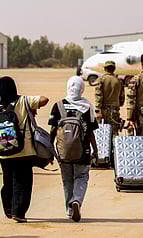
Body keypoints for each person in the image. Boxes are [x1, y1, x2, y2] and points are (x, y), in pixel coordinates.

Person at [0, 76, 49, 223]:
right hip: (24, 151)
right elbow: (44, 99)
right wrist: (28, 104)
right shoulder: (23, 101)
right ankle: (18, 212)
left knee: (8, 182)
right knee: (22, 182)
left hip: (4, 153)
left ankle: (9, 210)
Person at [49, 76, 98, 222]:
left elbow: (52, 130)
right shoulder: (87, 107)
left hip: (63, 152)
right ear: (81, 88)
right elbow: (90, 133)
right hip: (82, 151)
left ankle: (70, 210)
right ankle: (76, 200)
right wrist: (95, 150)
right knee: (81, 177)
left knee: (67, 179)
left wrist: (51, 150)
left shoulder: (58, 105)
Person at [95, 60, 124, 136]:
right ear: (114, 69)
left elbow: (98, 96)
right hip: (115, 111)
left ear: (105, 69)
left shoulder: (101, 80)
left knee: (102, 135)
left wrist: (98, 110)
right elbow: (122, 100)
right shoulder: (119, 81)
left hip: (103, 112)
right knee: (114, 134)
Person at [127, 54, 143, 135]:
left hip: (141, 116)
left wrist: (130, 117)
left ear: (141, 64)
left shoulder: (136, 79)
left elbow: (131, 99)